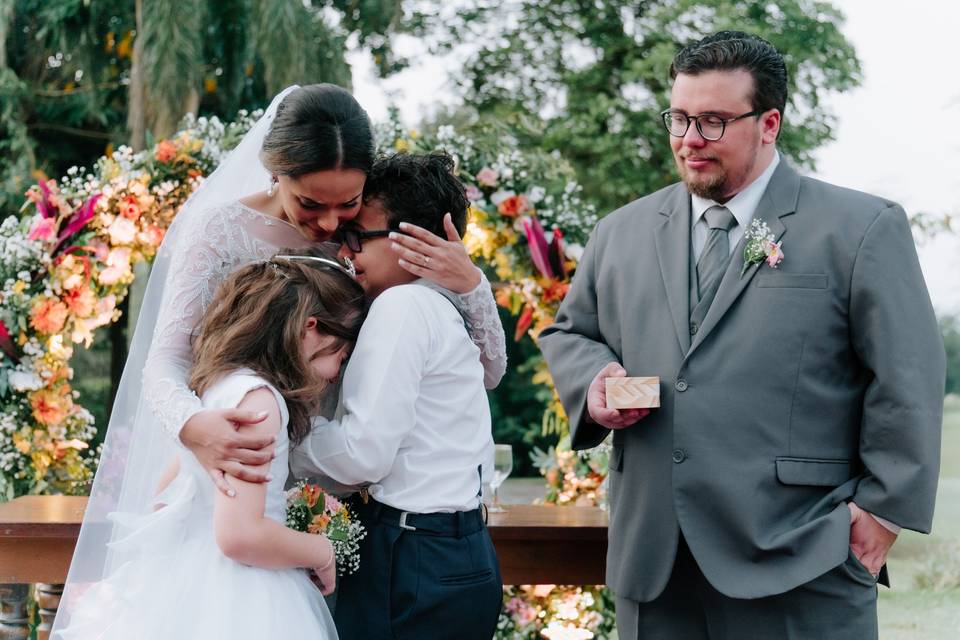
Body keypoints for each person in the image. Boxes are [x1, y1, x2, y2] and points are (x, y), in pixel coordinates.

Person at [53, 84, 506, 634]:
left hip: (352, 512)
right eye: (311, 203)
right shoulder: (220, 231)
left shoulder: (370, 253)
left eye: (349, 204)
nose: (331, 224)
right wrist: (193, 426)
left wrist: (472, 285)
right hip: (249, 472)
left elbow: (487, 369)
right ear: (275, 172)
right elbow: (164, 362)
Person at [539, 31, 945, 640]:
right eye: (678, 118)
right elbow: (570, 331)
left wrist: (883, 509)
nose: (689, 140)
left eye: (712, 121)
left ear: (770, 123)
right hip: (655, 562)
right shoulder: (619, 232)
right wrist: (594, 379)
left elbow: (907, 376)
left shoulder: (861, 228)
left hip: (801, 556)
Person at [54, 245, 366, 639]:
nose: (338, 371)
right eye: (342, 353)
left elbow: (165, 492)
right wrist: (320, 551)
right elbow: (240, 536)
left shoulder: (219, 386)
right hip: (242, 596)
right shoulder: (260, 403)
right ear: (310, 328)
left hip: (188, 577)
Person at [290, 152, 503, 640]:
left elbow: (364, 454)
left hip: (413, 557)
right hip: (455, 549)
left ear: (413, 241)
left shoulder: (402, 307)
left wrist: (285, 439)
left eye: (357, 238)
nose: (346, 253)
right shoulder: (443, 306)